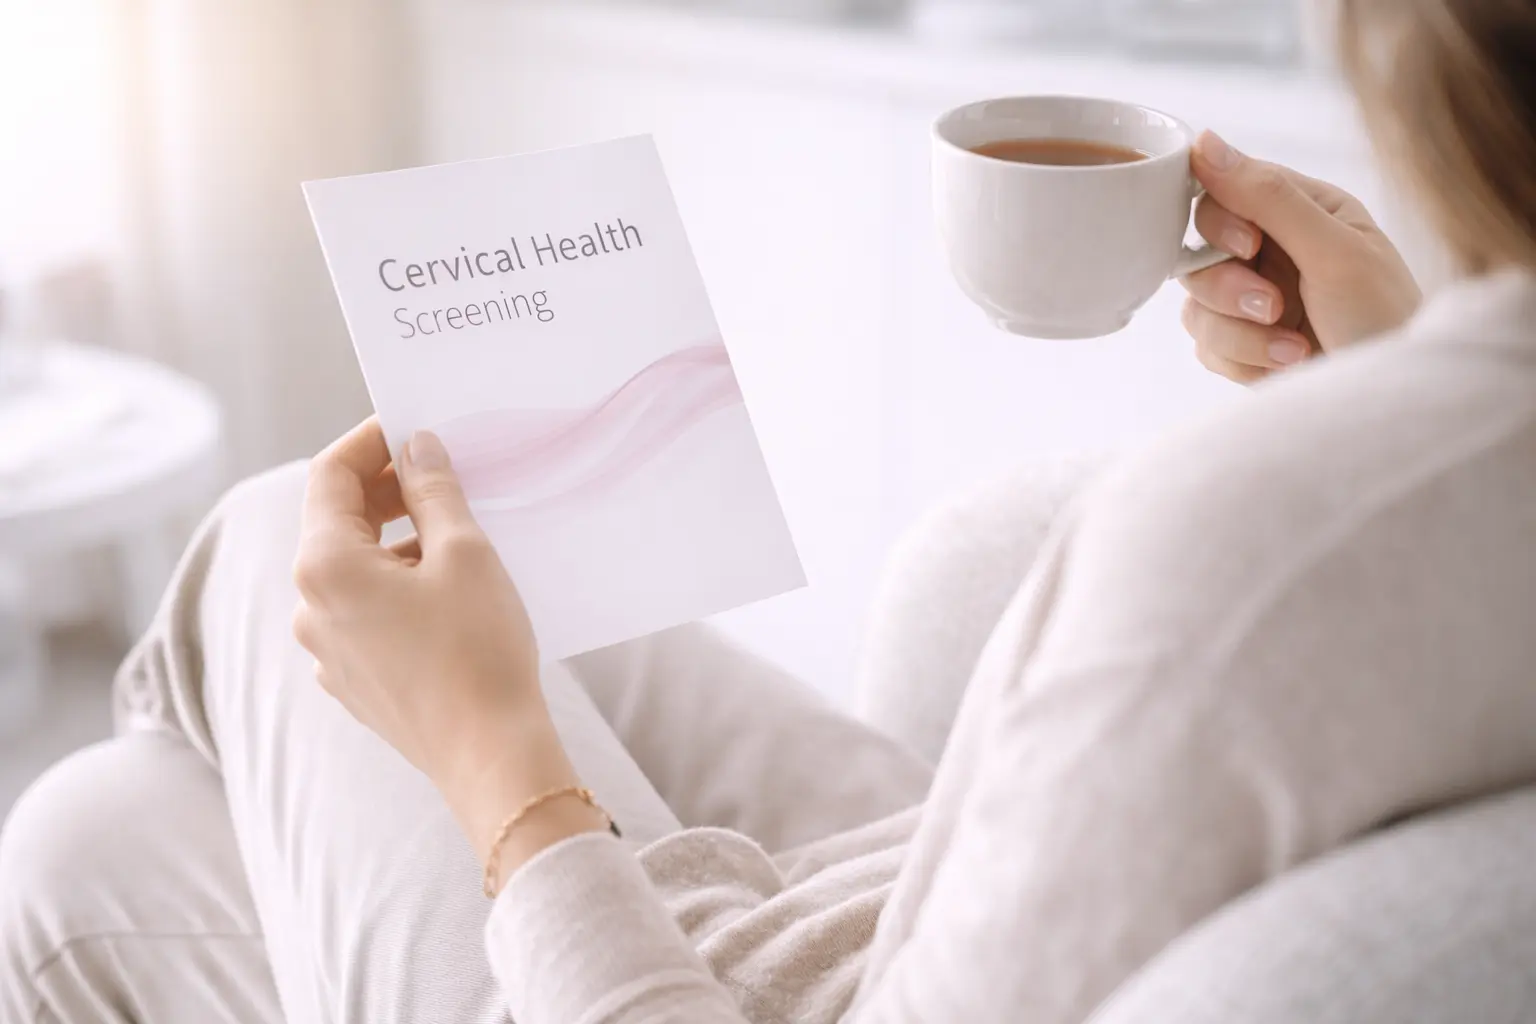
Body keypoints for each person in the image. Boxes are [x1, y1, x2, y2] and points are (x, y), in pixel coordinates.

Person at [4, 0, 1535, 1020]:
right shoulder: (1423, 489)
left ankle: (245, 746)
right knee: (88, 845)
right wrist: (1392, 385)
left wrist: (495, 765)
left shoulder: (1252, 559)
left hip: (700, 986)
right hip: (899, 894)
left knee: (283, 538)